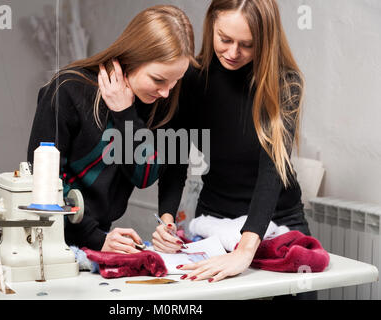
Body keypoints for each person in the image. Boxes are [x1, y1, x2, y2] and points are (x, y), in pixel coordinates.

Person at [154, 0, 315, 299]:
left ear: (265, 42)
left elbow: (272, 170)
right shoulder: (191, 79)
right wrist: (165, 219)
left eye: (247, 45)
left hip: (278, 219)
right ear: (211, 25)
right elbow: (174, 158)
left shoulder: (284, 84)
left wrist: (245, 249)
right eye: (224, 39)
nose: (232, 52)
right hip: (216, 217)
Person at [27, 5, 196, 254]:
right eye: (158, 80)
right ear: (131, 59)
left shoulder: (159, 101)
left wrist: (125, 114)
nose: (166, 92)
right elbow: (43, 180)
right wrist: (95, 238)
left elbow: (145, 175)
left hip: (99, 239)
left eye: (175, 81)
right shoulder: (67, 91)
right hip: (48, 239)